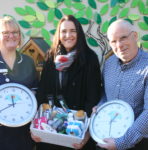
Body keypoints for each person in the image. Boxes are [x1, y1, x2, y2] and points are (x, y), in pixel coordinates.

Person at [31, 15, 102, 150]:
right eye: (63, 31)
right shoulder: (51, 56)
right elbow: (42, 91)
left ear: (79, 33)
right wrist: (36, 125)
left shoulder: (90, 58)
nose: (68, 35)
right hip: (51, 127)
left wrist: (86, 132)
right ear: (59, 34)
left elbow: (93, 97)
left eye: (72, 31)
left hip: (76, 130)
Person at [95, 19, 148, 150]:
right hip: (107, 137)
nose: (119, 45)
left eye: (123, 38)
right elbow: (105, 93)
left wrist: (121, 143)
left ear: (135, 36)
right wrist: (101, 105)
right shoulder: (109, 64)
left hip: (138, 143)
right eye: (113, 41)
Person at [0, 16, 38, 150]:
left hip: (22, 133)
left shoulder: (28, 61)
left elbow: (35, 89)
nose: (11, 36)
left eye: (15, 32)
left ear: (19, 36)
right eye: (5, 32)